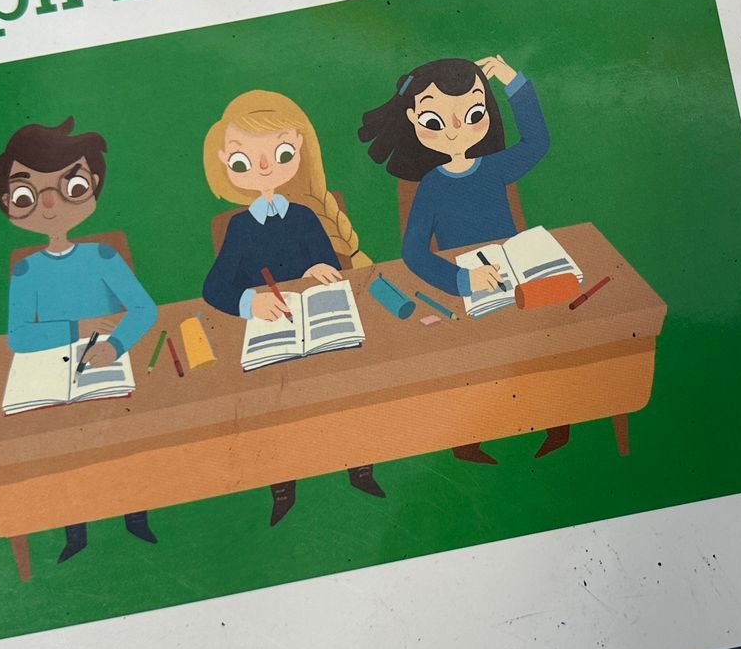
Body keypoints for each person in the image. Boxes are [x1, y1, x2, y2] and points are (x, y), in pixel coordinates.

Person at [357, 53, 565, 458]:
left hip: (515, 281)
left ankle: (557, 420)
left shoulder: (494, 167)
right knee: (473, 359)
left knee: (537, 345)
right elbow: (412, 252)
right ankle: (468, 439)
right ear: (412, 120)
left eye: (472, 114)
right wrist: (461, 280)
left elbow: (538, 142)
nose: (455, 130)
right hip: (465, 293)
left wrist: (513, 80)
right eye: (435, 121)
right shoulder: (431, 186)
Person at [202, 90, 380, 526]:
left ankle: (360, 468)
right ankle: (283, 487)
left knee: (345, 387)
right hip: (272, 338)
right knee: (272, 408)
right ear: (226, 161)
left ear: (297, 149)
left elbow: (329, 263)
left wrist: (320, 266)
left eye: (279, 153)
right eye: (247, 158)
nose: (265, 166)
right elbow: (214, 287)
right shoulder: (239, 228)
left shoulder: (304, 216)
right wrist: (250, 301)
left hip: (318, 328)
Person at [0, 117, 159, 563]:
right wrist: (76, 329)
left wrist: (115, 345)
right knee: (63, 452)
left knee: (122, 441)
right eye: (28, 195)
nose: (49, 204)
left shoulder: (103, 256)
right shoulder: (27, 270)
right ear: (9, 203)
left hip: (107, 372)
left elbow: (144, 310)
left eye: (71, 186)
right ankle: (75, 530)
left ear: (93, 186)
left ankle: (135, 515)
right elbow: (19, 338)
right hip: (52, 381)